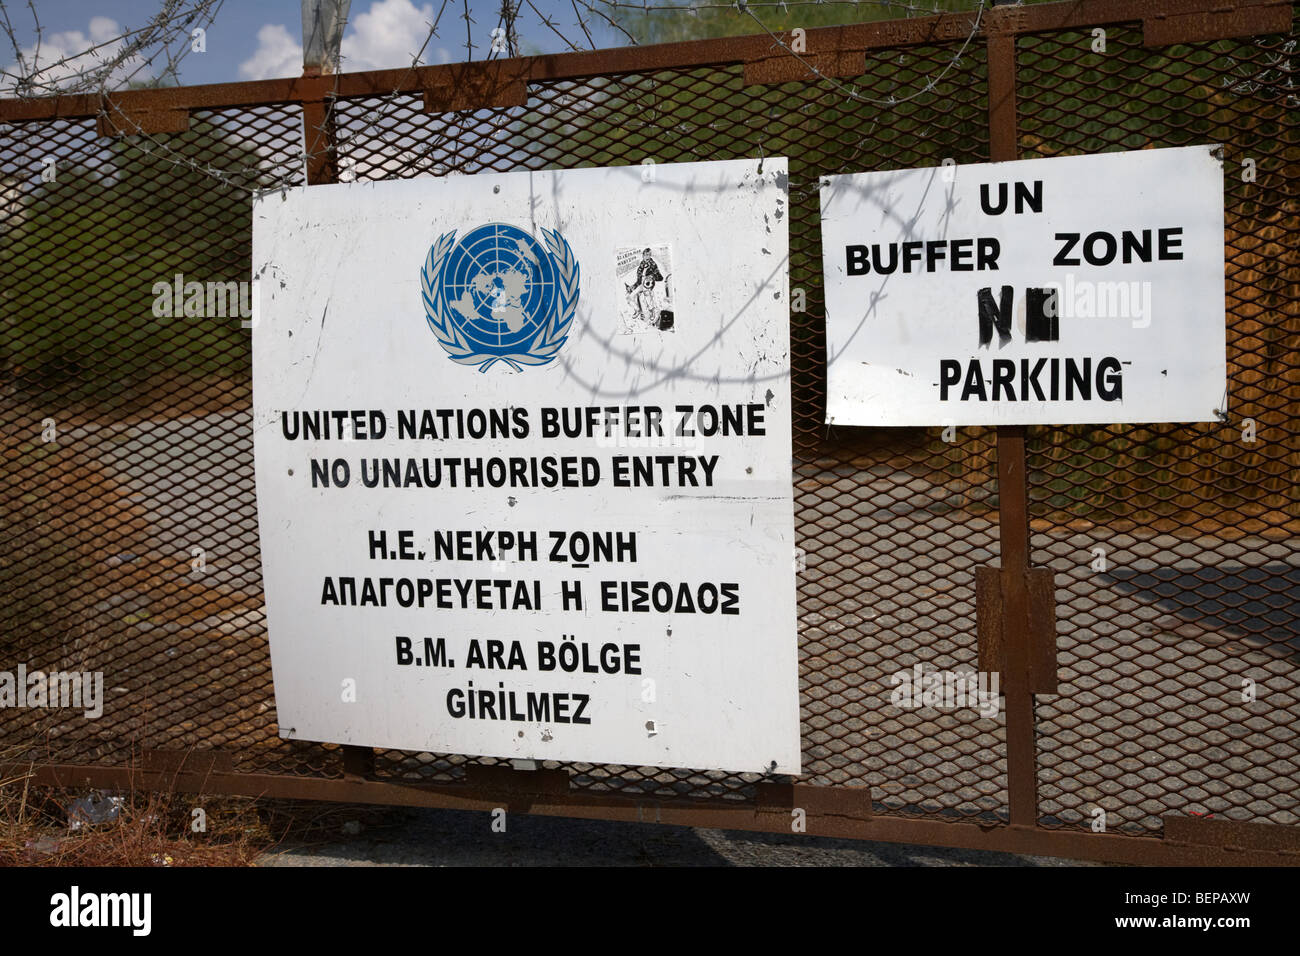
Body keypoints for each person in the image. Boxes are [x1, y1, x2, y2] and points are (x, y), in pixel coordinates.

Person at [625, 248, 664, 325]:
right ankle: (637, 310)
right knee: (630, 297)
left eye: (649, 255)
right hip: (640, 285)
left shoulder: (653, 264)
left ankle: (653, 314)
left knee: (649, 303)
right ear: (643, 256)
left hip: (647, 286)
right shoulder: (642, 263)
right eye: (646, 255)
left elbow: (660, 277)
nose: (647, 256)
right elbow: (639, 278)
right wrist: (634, 286)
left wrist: (652, 276)